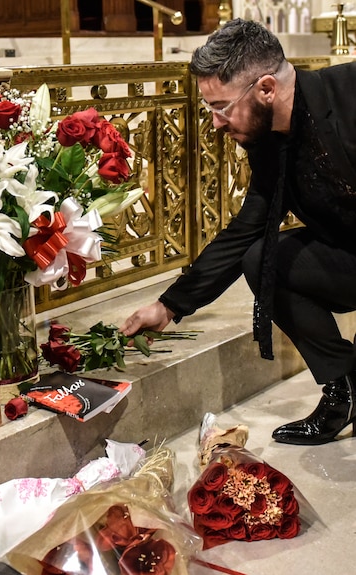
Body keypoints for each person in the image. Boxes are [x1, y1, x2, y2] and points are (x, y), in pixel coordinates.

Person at [119, 19, 356, 446]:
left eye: (222, 106)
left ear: (266, 88)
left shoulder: (350, 92)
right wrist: (171, 305)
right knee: (263, 257)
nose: (215, 123)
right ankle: (345, 387)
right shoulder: (269, 142)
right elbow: (248, 229)